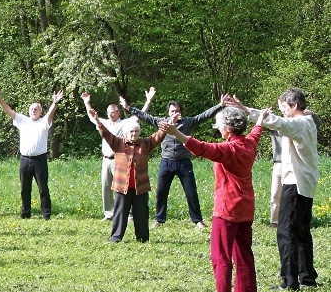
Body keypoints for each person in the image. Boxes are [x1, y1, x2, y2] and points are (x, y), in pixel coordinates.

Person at [160, 107, 268, 292]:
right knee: (244, 254)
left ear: (227, 128)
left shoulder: (228, 150)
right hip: (245, 209)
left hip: (227, 210)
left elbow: (201, 148)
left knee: (221, 257)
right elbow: (256, 132)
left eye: (219, 125)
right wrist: (260, 119)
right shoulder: (249, 144)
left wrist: (175, 133)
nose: (217, 128)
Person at [227, 90, 320, 291]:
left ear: (294, 106)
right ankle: (307, 276)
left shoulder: (300, 124)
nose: (283, 112)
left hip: (295, 182)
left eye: (285, 108)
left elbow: (279, 123)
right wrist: (246, 110)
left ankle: (289, 281)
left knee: (286, 231)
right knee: (302, 230)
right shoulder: (309, 121)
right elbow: (278, 120)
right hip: (305, 182)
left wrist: (252, 114)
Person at [121, 92, 226, 229]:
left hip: (184, 162)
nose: (174, 113)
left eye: (177, 111)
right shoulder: (162, 123)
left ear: (181, 112)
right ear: (168, 112)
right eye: (172, 111)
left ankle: (197, 221)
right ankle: (159, 219)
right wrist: (129, 108)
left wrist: (220, 105)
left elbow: (204, 115)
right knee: (161, 192)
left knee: (191, 192)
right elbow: (145, 117)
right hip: (167, 162)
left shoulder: (188, 122)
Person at [90, 111, 164, 242]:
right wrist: (98, 121)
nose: (133, 134)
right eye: (131, 131)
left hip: (140, 187)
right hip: (122, 186)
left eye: (136, 131)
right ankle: (116, 237)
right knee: (120, 214)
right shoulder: (118, 143)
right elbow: (105, 133)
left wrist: (170, 124)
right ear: (125, 133)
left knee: (141, 214)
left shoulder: (145, 144)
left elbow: (159, 136)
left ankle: (143, 238)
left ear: (139, 133)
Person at [0, 87, 63, 220]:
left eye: (36, 109)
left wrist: (55, 103)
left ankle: (46, 214)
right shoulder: (23, 120)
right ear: (28, 111)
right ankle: (25, 213)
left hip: (39, 160)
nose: (33, 111)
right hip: (25, 160)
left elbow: (51, 114)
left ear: (41, 112)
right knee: (25, 189)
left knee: (43, 188)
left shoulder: (44, 122)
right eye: (31, 109)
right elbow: (9, 111)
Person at [82, 89, 153, 220]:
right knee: (106, 186)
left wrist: (148, 100)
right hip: (106, 160)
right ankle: (109, 214)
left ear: (118, 113)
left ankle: (130, 214)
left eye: (112, 113)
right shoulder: (104, 123)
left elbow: (140, 114)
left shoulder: (125, 123)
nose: (110, 115)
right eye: (108, 113)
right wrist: (87, 102)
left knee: (123, 186)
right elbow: (92, 115)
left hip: (120, 159)